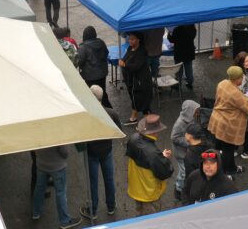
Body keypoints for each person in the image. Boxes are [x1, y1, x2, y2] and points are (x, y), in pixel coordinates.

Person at [208, 66, 248, 175]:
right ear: (237, 79)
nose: (243, 80)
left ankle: (226, 167)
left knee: (221, 147)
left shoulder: (222, 83)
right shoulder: (235, 94)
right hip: (228, 125)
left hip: (217, 119)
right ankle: (228, 171)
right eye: (242, 78)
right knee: (228, 150)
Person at [80, 85, 122, 220]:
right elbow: (118, 132)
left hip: (91, 153)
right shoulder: (111, 113)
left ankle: (93, 210)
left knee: (93, 182)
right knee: (109, 179)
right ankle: (111, 206)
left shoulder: (86, 116)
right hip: (107, 151)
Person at [126, 114, 174, 216]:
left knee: (139, 211)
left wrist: (160, 156)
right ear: (155, 132)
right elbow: (165, 172)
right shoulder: (152, 153)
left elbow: (145, 159)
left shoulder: (133, 138)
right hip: (149, 193)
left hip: (136, 189)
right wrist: (163, 158)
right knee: (150, 219)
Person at [31, 145, 82, 229]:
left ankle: (36, 212)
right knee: (61, 193)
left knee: (39, 188)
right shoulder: (58, 132)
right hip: (57, 166)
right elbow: (64, 152)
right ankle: (65, 221)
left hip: (41, 164)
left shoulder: (38, 131)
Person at [119, 32, 153, 124]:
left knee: (140, 98)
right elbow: (125, 58)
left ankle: (147, 122)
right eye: (129, 39)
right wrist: (123, 60)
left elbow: (136, 66)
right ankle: (134, 118)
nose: (130, 40)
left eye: (132, 39)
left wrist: (125, 64)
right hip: (132, 79)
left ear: (138, 40)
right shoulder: (130, 48)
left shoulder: (142, 51)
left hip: (141, 80)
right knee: (135, 97)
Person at [171, 100, 200, 200]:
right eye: (195, 110)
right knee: (183, 172)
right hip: (180, 153)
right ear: (189, 111)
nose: (197, 112)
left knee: (185, 170)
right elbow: (174, 137)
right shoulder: (180, 124)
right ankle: (178, 189)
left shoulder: (191, 119)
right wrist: (189, 142)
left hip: (186, 151)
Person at [78, 26, 112, 108]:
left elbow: (80, 60)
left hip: (90, 76)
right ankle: (110, 111)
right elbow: (106, 53)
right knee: (102, 93)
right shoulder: (101, 42)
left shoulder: (83, 47)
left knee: (93, 95)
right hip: (102, 73)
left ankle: (104, 113)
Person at [168, 24, 196, 89]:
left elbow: (171, 40)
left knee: (178, 69)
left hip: (179, 53)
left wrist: (169, 34)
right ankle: (190, 82)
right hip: (189, 52)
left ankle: (178, 84)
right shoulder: (192, 27)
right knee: (189, 69)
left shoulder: (177, 29)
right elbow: (193, 36)